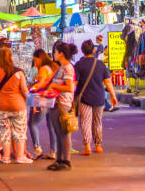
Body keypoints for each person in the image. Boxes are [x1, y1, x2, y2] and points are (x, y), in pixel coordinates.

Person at [75, 40, 118, 155]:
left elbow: (74, 83)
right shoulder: (100, 64)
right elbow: (108, 82)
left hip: (84, 98)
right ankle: (98, 145)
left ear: (82, 51)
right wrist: (113, 96)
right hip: (99, 97)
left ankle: (87, 147)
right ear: (94, 50)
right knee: (98, 122)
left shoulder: (79, 65)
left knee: (85, 122)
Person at [0, 47, 31, 164]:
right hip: (17, 106)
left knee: (4, 132)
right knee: (19, 131)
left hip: (1, 106)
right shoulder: (19, 72)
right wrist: (29, 103)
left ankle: (6, 157)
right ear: (11, 57)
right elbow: (24, 91)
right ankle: (20, 156)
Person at [47, 42, 77, 171]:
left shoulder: (67, 68)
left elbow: (69, 87)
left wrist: (53, 86)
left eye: (55, 52)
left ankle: (66, 160)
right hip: (56, 103)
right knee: (58, 132)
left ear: (61, 54)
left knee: (63, 133)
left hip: (62, 103)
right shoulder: (61, 67)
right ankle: (59, 160)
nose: (54, 54)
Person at [27, 48, 58, 160]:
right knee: (51, 126)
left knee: (32, 123)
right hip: (52, 98)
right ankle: (53, 151)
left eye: (36, 61)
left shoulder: (43, 69)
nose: (35, 63)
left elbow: (41, 83)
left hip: (42, 98)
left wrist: (31, 88)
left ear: (40, 58)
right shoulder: (53, 67)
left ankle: (37, 148)